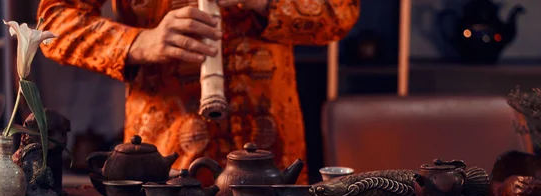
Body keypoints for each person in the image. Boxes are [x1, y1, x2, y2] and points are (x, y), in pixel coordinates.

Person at [38, 0, 360, 183]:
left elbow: (341, 11)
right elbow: (53, 23)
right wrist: (139, 44)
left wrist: (264, 3)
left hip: (273, 160)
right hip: (164, 164)